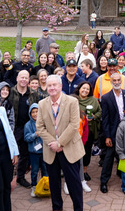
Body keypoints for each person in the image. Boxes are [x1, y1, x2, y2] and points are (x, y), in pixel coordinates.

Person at [36, 74, 85, 211]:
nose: (51, 88)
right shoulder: (42, 104)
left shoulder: (71, 102)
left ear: (60, 86)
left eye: (54, 85)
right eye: (49, 85)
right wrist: (53, 143)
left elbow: (74, 125)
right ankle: (57, 208)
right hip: (51, 150)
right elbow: (40, 127)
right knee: (54, 184)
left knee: (74, 183)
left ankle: (78, 208)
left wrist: (60, 143)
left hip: (69, 148)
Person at [99, 72, 125, 193]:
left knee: (123, 156)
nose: (117, 82)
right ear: (111, 82)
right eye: (115, 80)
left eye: (119, 80)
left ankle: (121, 173)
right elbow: (105, 119)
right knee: (108, 158)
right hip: (113, 133)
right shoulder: (106, 97)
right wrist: (107, 136)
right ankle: (104, 181)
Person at [8, 70, 39, 188]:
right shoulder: (10, 92)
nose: (24, 80)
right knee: (12, 153)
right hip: (14, 128)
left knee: (25, 154)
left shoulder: (33, 94)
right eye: (22, 77)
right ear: (17, 78)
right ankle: (9, 177)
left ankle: (20, 177)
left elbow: (37, 110)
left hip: (28, 128)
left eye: (26, 78)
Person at [75, 81, 101, 181]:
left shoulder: (93, 100)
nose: (85, 90)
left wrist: (94, 116)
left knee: (86, 150)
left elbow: (100, 111)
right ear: (79, 88)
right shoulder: (74, 99)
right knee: (76, 150)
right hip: (76, 131)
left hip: (89, 130)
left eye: (87, 89)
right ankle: (76, 170)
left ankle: (85, 170)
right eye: (83, 88)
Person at [24, 103, 48, 197]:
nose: (35, 114)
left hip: (44, 151)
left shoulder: (44, 122)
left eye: (37, 111)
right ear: (30, 113)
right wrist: (35, 135)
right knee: (34, 170)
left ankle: (45, 185)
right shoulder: (28, 125)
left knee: (45, 169)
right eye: (33, 112)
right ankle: (34, 186)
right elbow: (26, 138)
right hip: (34, 152)